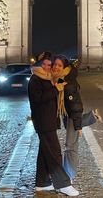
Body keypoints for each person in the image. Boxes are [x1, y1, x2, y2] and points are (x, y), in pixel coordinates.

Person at [28, 53, 79, 196]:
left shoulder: (49, 78)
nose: (46, 67)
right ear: (38, 65)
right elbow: (38, 99)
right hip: (43, 122)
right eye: (43, 64)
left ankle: (42, 183)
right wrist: (56, 89)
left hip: (48, 121)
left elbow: (68, 74)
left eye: (49, 65)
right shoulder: (35, 79)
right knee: (55, 153)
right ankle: (63, 184)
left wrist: (69, 70)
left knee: (44, 153)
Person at [51, 54, 102, 182]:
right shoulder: (62, 78)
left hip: (72, 115)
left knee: (70, 146)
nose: (56, 67)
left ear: (65, 67)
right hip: (66, 113)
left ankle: (69, 176)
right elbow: (57, 84)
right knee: (70, 143)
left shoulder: (68, 83)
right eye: (55, 64)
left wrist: (78, 125)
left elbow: (75, 107)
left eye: (59, 65)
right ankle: (92, 116)